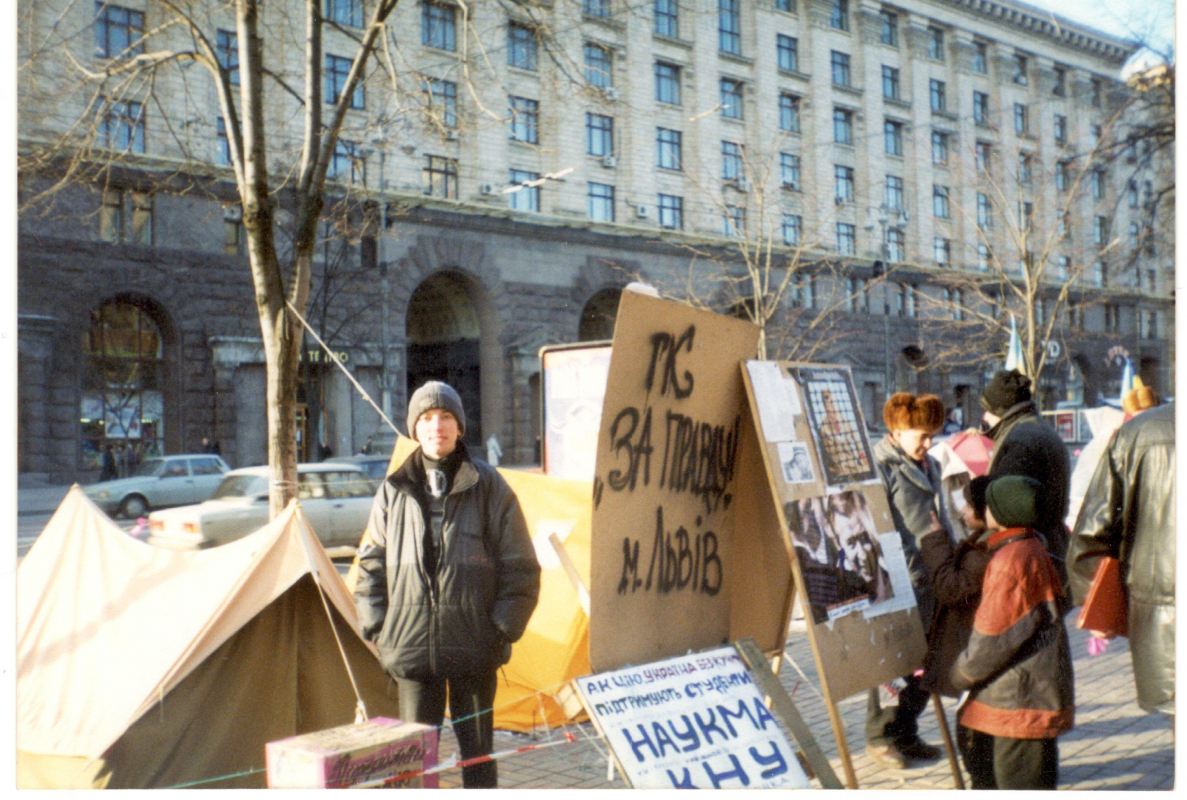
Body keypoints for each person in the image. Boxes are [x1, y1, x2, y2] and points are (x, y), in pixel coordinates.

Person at [353, 381, 541, 788]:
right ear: (414, 430)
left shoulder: (490, 487)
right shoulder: (393, 491)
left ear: (459, 428)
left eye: (446, 417)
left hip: (476, 647)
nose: (436, 426)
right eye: (426, 418)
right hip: (412, 650)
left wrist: (501, 629)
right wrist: (378, 629)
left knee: (478, 757)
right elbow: (369, 567)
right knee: (415, 763)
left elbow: (521, 567)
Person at [952, 475, 1075, 790]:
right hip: (1025, 691)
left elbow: (993, 637)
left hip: (1019, 701)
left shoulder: (1012, 559)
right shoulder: (1029, 545)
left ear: (1003, 510)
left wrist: (961, 674)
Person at [1067, 403, 1174, 717]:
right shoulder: (1138, 433)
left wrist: (1099, 609)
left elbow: (1093, 531)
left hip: (1165, 621)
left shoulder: (1139, 432)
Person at [867, 392, 946, 768]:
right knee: (894, 665)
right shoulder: (880, 465)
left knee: (926, 663)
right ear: (897, 431)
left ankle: (907, 732)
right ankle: (880, 736)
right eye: (922, 435)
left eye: (932, 435)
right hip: (898, 580)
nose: (928, 444)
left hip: (930, 578)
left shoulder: (929, 463)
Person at [979, 370, 1070, 583]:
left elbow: (1006, 509)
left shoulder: (1019, 440)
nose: (983, 416)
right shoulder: (1036, 429)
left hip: (1028, 555)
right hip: (1050, 547)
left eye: (987, 409)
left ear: (1000, 410)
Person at [918, 476, 993, 701]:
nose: (962, 511)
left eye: (969, 506)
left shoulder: (985, 550)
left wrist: (936, 542)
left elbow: (951, 588)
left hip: (972, 647)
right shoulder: (982, 541)